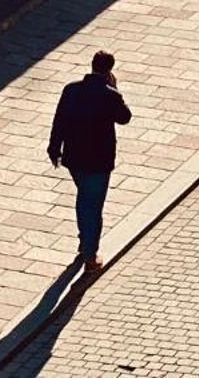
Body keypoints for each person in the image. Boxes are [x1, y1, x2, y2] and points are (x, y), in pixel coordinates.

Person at [48, 50, 133, 271]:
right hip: (99, 160)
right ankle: (90, 254)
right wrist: (115, 89)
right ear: (109, 70)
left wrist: (54, 148)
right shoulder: (109, 95)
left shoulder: (71, 90)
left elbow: (60, 121)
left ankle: (83, 240)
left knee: (84, 198)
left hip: (74, 158)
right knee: (93, 205)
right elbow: (125, 117)